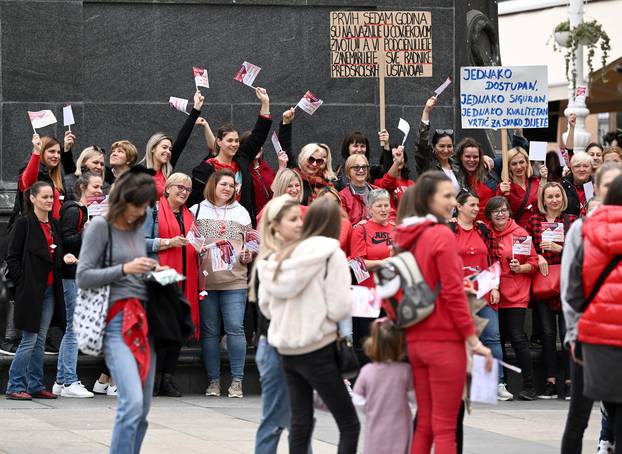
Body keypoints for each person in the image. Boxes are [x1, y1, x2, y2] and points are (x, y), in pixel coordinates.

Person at [393, 172, 492, 453]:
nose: (452, 202)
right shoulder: (441, 235)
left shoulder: (409, 235)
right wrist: (472, 340)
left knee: (425, 423)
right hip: (444, 341)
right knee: (446, 429)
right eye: (447, 196)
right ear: (428, 199)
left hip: (416, 338)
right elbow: (452, 294)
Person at [257, 197, 360, 454]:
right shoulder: (332, 254)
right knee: (349, 424)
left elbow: (267, 306)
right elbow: (339, 308)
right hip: (318, 347)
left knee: (300, 424)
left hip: (287, 351)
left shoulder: (285, 253)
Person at [76, 168, 159, 454]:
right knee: (132, 402)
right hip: (115, 322)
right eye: (138, 205)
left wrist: (153, 271)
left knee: (143, 408)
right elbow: (83, 276)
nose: (142, 212)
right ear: (124, 200)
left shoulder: (139, 224)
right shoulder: (101, 226)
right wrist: (125, 268)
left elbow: (137, 271)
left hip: (143, 321)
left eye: (147, 206)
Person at [561, 162, 622, 454]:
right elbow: (570, 290)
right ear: (596, 188)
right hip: (587, 337)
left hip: (598, 336)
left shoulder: (586, 229)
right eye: (607, 184)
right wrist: (574, 332)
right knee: (578, 416)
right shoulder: (582, 230)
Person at [5, 182, 74, 400]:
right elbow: (12, 256)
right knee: (29, 337)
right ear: (32, 199)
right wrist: (22, 281)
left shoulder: (53, 224)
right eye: (44, 197)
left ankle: (35, 384)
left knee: (40, 338)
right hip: (31, 289)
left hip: (51, 289)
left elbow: (57, 255)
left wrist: (65, 257)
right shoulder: (24, 223)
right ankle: (15, 385)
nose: (49, 201)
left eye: (51, 197)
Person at [251, 195, 307, 454]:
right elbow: (274, 311)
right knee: (275, 420)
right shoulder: (268, 262)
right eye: (293, 219)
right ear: (275, 226)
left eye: (300, 219)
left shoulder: (301, 257)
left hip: (299, 346)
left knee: (300, 421)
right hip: (276, 347)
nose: (299, 224)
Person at [189, 170, 253, 398]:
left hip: (235, 280)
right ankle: (213, 381)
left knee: (235, 328)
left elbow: (252, 244)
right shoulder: (196, 209)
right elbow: (189, 243)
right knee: (210, 332)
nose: (228, 188)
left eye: (231, 185)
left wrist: (248, 255)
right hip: (205, 281)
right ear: (212, 185)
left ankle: (237, 381)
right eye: (223, 184)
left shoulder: (242, 212)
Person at [453, 191, 513, 401]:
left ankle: (497, 383)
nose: (476, 209)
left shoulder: (483, 229)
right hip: (458, 292)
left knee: (493, 337)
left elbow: (493, 259)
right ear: (459, 206)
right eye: (472, 205)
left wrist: (495, 286)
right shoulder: (449, 229)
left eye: (478, 205)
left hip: (483, 289)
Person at [577, 175, 622, 453]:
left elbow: (572, 289)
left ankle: (605, 440)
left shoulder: (585, 232)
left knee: (607, 404)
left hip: (596, 335)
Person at [144, 173, 199, 397]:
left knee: (176, 330)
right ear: (167, 188)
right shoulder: (153, 211)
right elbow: (139, 240)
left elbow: (193, 243)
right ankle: (154, 379)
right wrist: (167, 242)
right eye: (180, 187)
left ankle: (167, 378)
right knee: (160, 330)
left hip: (183, 278)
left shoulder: (189, 215)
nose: (184, 191)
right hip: (160, 277)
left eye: (188, 188)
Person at [53, 172, 104, 398]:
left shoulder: (89, 212)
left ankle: (61, 380)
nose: (99, 191)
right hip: (71, 273)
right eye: (95, 186)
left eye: (101, 187)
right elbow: (67, 239)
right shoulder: (74, 210)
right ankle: (69, 380)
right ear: (82, 187)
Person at [525, 182, 577, 400]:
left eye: (557, 196)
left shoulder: (573, 221)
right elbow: (525, 246)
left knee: (566, 334)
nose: (554, 200)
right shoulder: (534, 220)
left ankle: (570, 381)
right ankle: (550, 381)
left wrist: (560, 248)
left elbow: (581, 252)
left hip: (566, 284)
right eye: (550, 196)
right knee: (547, 334)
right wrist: (539, 255)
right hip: (544, 282)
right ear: (543, 200)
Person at [484, 196, 538, 400]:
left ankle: (530, 385)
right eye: (496, 211)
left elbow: (532, 261)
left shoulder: (520, 233)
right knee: (498, 341)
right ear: (489, 214)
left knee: (517, 337)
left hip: (516, 294)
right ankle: (502, 383)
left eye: (504, 210)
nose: (500, 214)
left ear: (509, 212)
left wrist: (521, 267)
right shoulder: (485, 232)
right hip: (493, 294)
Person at [189, 87, 271, 219]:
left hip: (239, 220)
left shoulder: (242, 159)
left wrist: (265, 103)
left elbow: (259, 135)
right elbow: (194, 200)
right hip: (213, 222)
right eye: (230, 141)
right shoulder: (206, 168)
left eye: (237, 141)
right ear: (219, 142)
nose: (234, 144)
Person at [352, 318, 414, 454]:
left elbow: (357, 398)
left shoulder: (367, 370)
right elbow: (413, 397)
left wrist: (369, 408)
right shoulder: (405, 371)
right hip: (400, 426)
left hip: (375, 426)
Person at [143, 91, 204, 196]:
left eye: (170, 149)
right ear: (153, 148)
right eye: (164, 147)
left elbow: (181, 140)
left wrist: (196, 108)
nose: (168, 152)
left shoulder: (168, 169)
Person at [415, 96, 464, 193]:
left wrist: (484, 158)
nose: (446, 150)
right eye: (441, 146)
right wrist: (426, 111)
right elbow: (421, 143)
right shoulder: (427, 164)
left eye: (449, 146)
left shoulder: (458, 165)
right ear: (433, 147)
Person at [497, 147, 547, 228]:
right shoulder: (505, 187)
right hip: (518, 234)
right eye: (514, 164)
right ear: (508, 167)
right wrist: (500, 193)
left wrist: (544, 180)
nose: (519, 167)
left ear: (527, 163)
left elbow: (546, 206)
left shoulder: (536, 182)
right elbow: (498, 211)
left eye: (521, 162)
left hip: (537, 230)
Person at [456, 138, 498, 221]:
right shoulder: (455, 175)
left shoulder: (489, 170)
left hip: (494, 226)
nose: (472, 160)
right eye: (467, 156)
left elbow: (514, 156)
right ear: (460, 157)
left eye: (475, 157)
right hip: (470, 228)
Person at [561, 152, 593, 217]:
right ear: (571, 169)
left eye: (586, 166)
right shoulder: (562, 186)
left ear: (591, 168)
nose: (581, 169)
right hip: (568, 224)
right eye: (577, 166)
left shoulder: (597, 185)